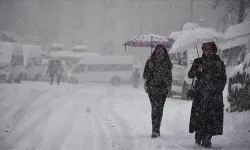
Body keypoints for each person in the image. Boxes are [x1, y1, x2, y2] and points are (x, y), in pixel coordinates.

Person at [188, 42, 227, 148]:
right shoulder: (198, 61)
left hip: (214, 96)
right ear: (203, 50)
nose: (208, 52)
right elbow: (190, 74)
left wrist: (217, 89)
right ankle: (198, 136)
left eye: (210, 49)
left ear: (214, 50)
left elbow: (223, 79)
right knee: (199, 117)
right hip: (200, 94)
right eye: (206, 49)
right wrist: (197, 69)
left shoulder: (219, 63)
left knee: (211, 118)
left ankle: (207, 139)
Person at [143, 44, 172, 138]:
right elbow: (145, 76)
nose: (159, 52)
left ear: (164, 52)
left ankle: (157, 129)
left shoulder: (167, 62)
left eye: (161, 50)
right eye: (157, 50)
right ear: (155, 51)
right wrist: (150, 68)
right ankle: (154, 130)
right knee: (154, 108)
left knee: (159, 109)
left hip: (162, 89)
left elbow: (169, 76)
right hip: (152, 88)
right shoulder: (149, 61)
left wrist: (168, 85)